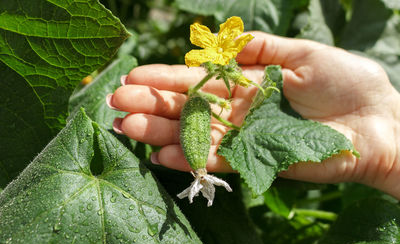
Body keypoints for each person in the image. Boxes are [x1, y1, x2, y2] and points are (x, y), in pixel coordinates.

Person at [106, 32, 400, 199]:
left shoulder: (222, 74)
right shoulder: (203, 86)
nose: (220, 50)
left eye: (223, 48)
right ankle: (200, 172)